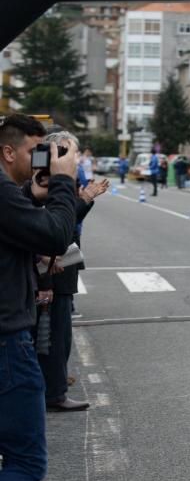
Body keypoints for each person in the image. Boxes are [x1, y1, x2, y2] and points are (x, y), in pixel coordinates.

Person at [0, 114, 79, 481]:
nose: (42, 160)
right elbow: (54, 234)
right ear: (9, 152)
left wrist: (40, 191)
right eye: (36, 151)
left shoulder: (10, 193)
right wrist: (67, 184)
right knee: (27, 461)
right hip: (7, 344)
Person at [29, 131, 109, 412]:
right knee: (52, 335)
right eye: (68, 152)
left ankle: (57, 382)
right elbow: (54, 225)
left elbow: (67, 222)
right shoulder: (43, 182)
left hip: (62, 266)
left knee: (59, 334)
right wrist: (83, 200)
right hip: (50, 270)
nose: (74, 158)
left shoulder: (56, 180)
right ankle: (55, 391)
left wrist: (85, 199)